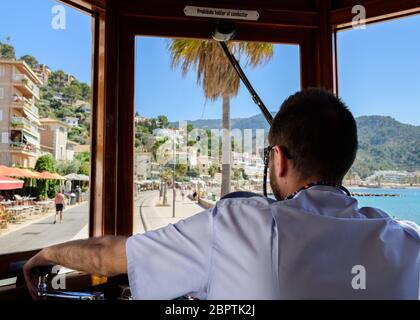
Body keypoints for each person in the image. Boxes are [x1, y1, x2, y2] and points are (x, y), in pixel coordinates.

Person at [23, 89, 420, 300]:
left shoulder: (239, 225)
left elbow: (108, 257)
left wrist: (45, 254)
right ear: (345, 162)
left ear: (277, 160)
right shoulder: (406, 241)